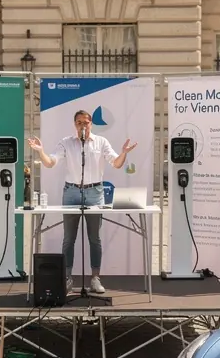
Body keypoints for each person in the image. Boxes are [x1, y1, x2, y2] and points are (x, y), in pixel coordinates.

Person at [27, 111, 137, 295]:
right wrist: (40, 151)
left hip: (95, 193)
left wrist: (124, 153)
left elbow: (116, 163)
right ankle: (67, 278)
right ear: (74, 125)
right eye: (79, 123)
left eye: (86, 122)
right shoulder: (66, 142)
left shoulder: (101, 142)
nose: (83, 126)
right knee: (69, 238)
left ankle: (95, 278)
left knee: (94, 238)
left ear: (91, 124)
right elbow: (50, 162)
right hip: (71, 192)